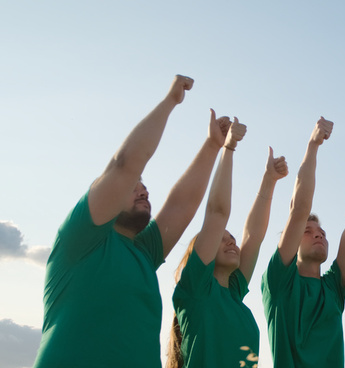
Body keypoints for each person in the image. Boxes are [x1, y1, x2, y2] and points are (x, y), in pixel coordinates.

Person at [33, 75, 231, 367]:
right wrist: (170, 102)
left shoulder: (144, 251)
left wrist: (213, 146)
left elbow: (182, 204)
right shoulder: (82, 237)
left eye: (144, 184)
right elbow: (125, 164)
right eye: (134, 184)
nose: (143, 188)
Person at [166, 113, 289, 367]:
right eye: (222, 239)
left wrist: (269, 181)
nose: (232, 242)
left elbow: (253, 237)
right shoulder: (196, 289)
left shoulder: (234, 293)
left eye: (231, 238)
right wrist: (229, 147)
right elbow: (217, 214)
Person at [261, 119, 345, 367]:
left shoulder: (333, 288)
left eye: (323, 232)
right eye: (308, 231)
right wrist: (313, 144)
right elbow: (299, 209)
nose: (319, 235)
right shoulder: (279, 282)